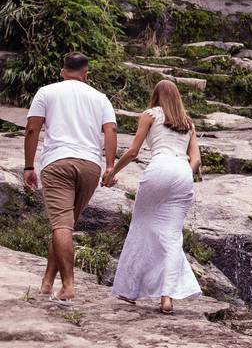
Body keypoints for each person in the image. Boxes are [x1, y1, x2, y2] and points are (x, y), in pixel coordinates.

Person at [23, 52, 118, 304]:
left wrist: (28, 166)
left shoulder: (46, 92)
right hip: (90, 166)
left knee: (61, 226)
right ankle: (46, 282)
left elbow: (32, 128)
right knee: (64, 225)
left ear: (62, 71)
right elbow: (110, 130)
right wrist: (110, 167)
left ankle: (68, 286)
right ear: (86, 74)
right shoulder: (100, 98)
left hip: (58, 163)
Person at [102, 79, 202, 313]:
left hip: (159, 168)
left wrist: (111, 172)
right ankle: (166, 297)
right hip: (182, 173)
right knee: (172, 237)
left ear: (156, 95)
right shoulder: (188, 123)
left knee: (141, 226)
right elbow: (196, 160)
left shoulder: (150, 114)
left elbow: (134, 151)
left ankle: (130, 290)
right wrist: (184, 172)